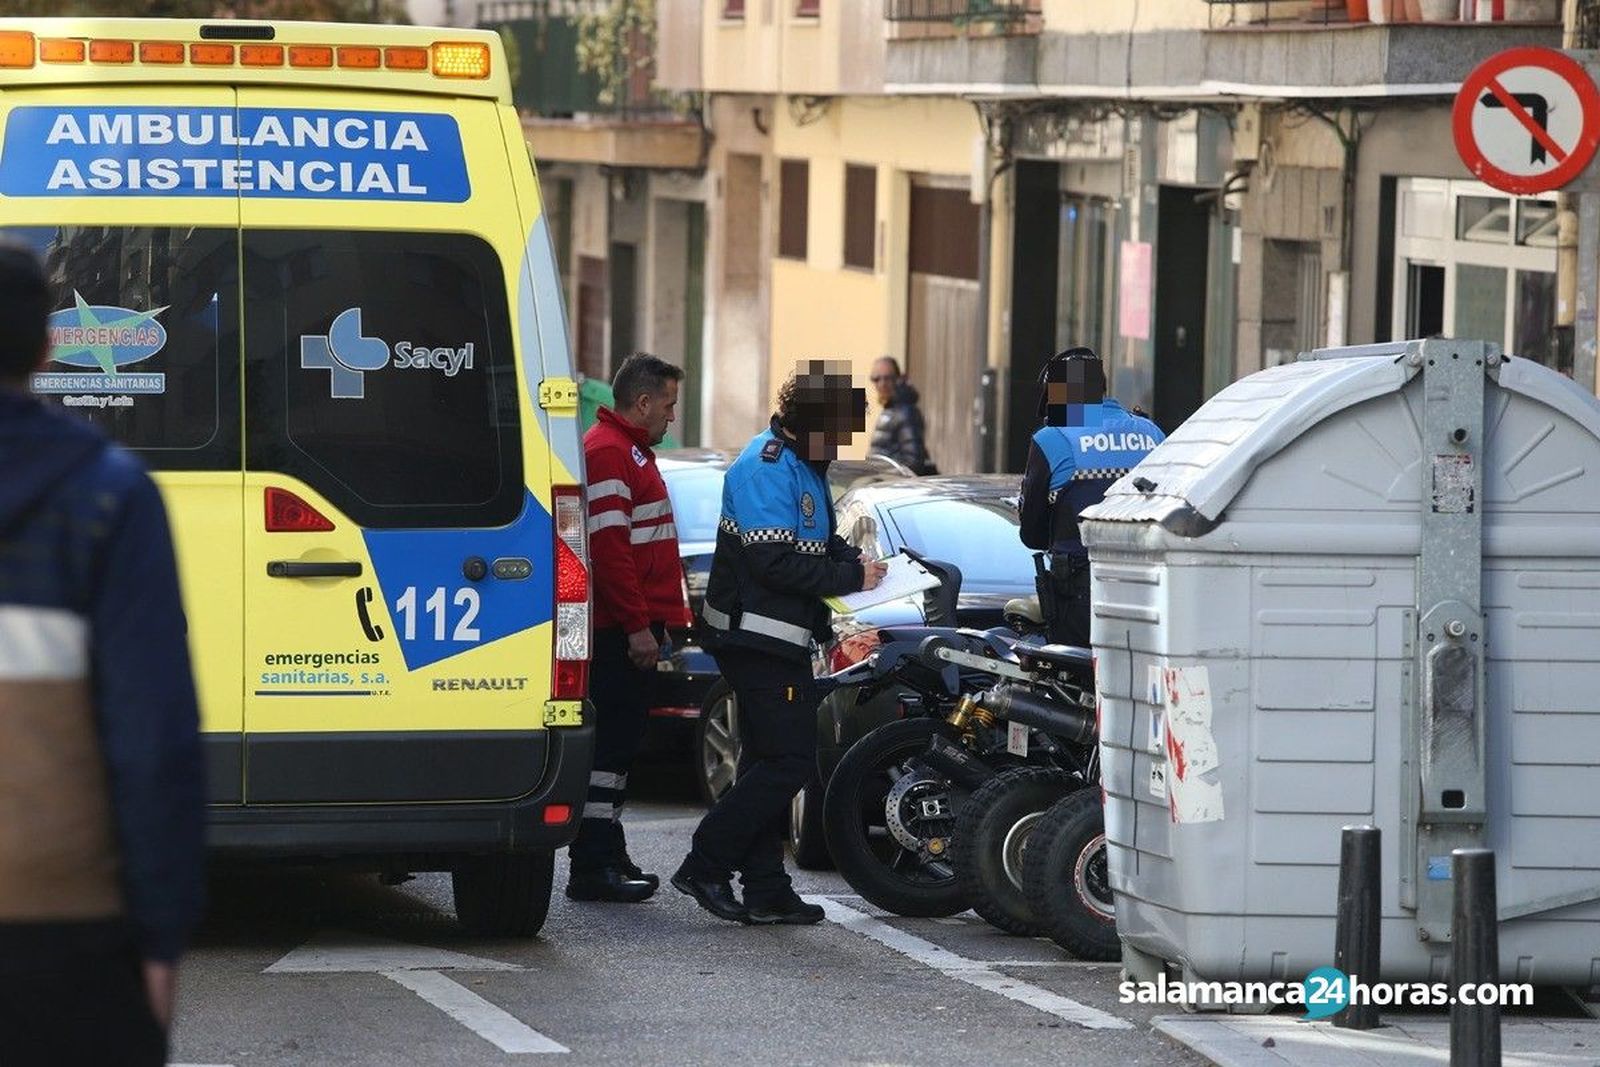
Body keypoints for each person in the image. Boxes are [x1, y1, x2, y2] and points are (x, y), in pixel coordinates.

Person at [0, 240, 205, 1064]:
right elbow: (153, 741)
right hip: (66, 933)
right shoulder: (110, 496)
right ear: (49, 349)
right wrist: (159, 942)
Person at [673, 360, 887, 925]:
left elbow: (820, 541)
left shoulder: (803, 462)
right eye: (839, 430)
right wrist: (851, 580)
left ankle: (766, 886)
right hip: (754, 639)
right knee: (789, 762)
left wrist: (857, 562)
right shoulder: (765, 468)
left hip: (779, 639)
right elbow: (774, 563)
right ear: (810, 421)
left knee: (765, 761)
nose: (843, 443)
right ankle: (705, 864)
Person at [570, 353, 690, 903]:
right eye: (667, 405)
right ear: (642, 403)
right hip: (620, 632)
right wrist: (639, 626)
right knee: (610, 751)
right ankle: (592, 863)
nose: (671, 416)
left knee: (620, 750)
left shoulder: (628, 450)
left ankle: (606, 849)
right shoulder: (610, 452)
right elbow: (611, 552)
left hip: (634, 627)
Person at [1018, 347, 1164, 647]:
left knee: (1078, 681)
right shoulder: (1151, 432)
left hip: (1082, 592)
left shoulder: (1052, 438)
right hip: (1150, 585)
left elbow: (1032, 534)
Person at [867, 356, 935, 474]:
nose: (882, 384)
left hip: (893, 487)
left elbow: (913, 463)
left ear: (899, 378)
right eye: (877, 379)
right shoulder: (891, 409)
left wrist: (881, 474)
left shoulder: (905, 412)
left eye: (888, 378)